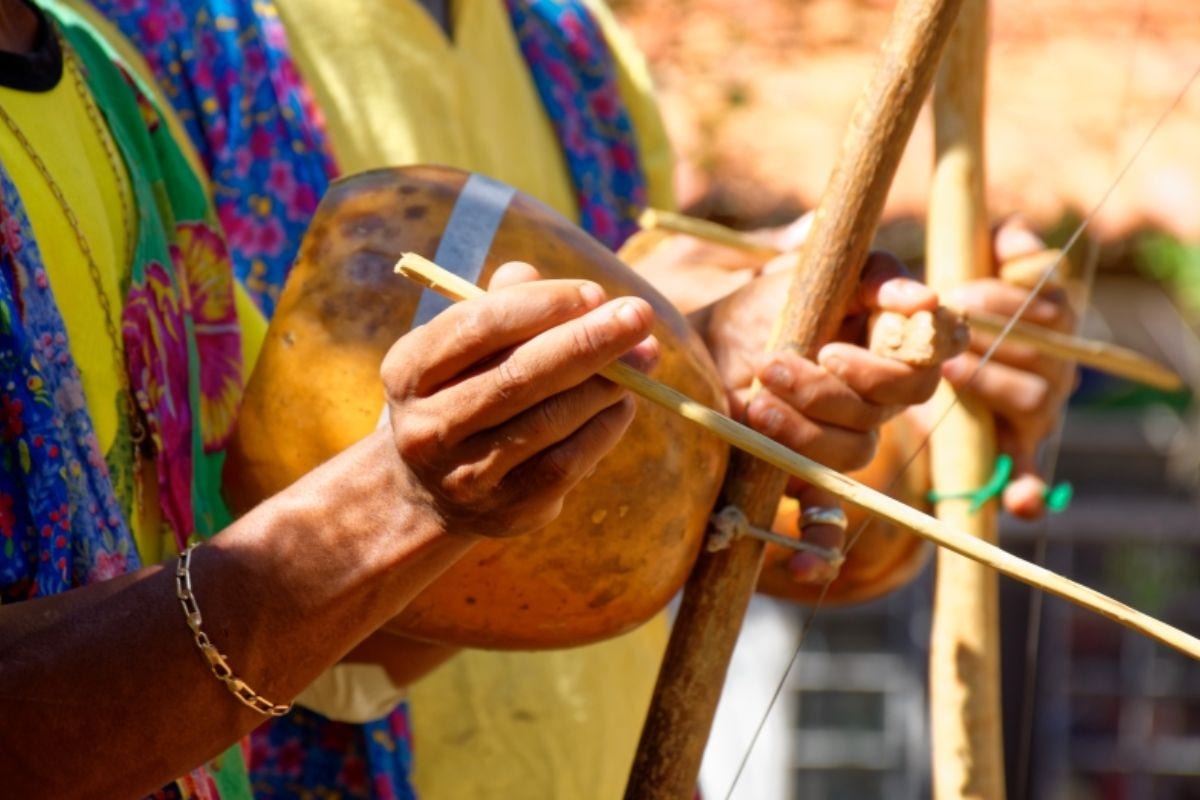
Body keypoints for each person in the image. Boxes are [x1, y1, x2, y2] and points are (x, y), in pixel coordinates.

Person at [73, 1, 1077, 797]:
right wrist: (678, 364)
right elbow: (193, 594)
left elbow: (696, 523)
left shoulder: (573, 51)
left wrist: (918, 415)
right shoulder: (126, 47)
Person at [0, 1, 669, 796]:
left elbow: (329, 645)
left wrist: (482, 481)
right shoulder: (156, 35)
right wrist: (401, 496)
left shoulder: (102, 79)